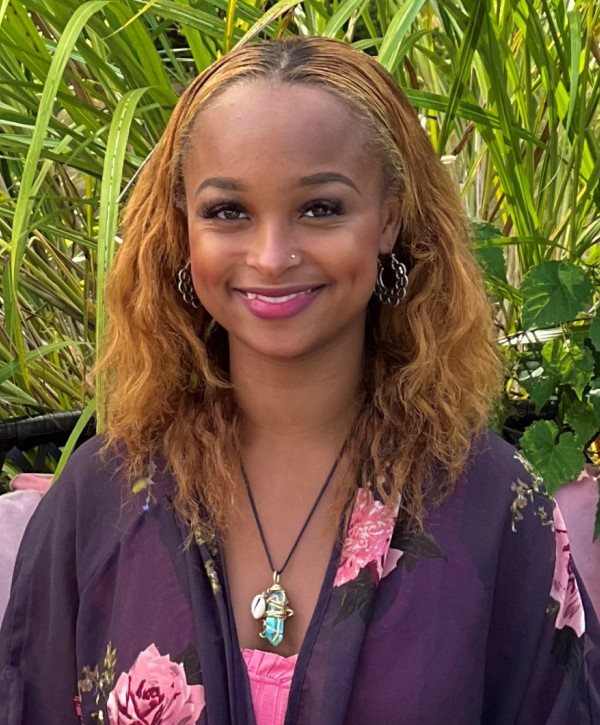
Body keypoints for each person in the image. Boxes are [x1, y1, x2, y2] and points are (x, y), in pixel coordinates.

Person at [0, 36, 598, 724]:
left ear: (390, 218)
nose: (272, 255)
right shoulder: (97, 502)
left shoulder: (496, 508)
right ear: (184, 227)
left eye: (320, 208)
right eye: (228, 211)